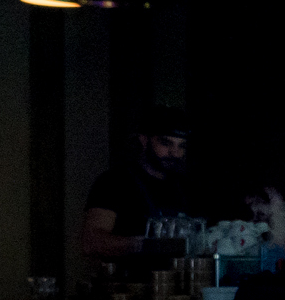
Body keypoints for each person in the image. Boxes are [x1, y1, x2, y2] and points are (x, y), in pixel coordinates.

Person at [81, 107, 200, 258]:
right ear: (144, 140)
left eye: (181, 146)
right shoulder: (114, 181)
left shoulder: (186, 187)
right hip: (130, 273)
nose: (175, 153)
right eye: (165, 143)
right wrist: (147, 244)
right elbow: (91, 243)